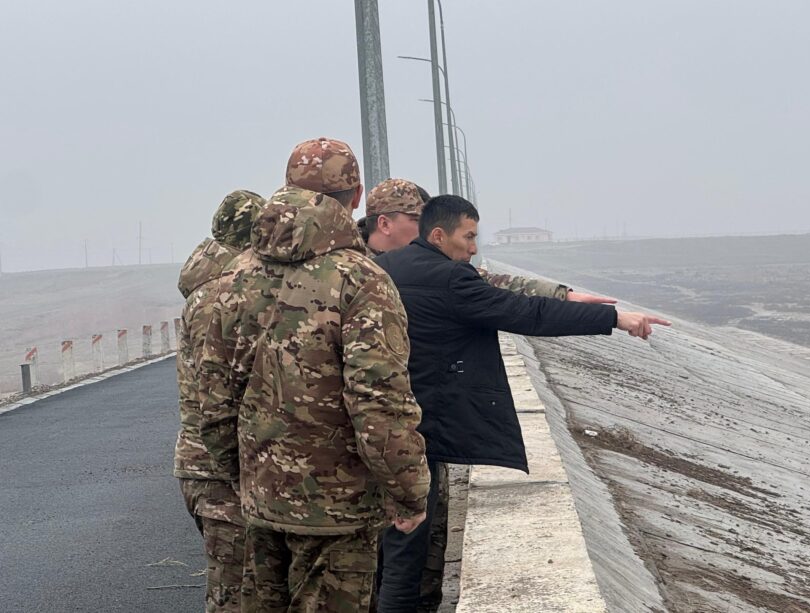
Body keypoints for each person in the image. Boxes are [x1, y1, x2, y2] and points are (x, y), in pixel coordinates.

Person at [373, 195, 671, 612]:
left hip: (373, 424)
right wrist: (615, 319)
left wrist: (563, 297)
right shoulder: (451, 279)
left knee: (382, 552)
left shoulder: (386, 267)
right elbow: (526, 314)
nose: (473, 248)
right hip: (420, 431)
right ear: (438, 235)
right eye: (468, 237)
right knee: (406, 558)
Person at [197, 138, 431, 613]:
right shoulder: (361, 279)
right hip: (339, 510)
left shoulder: (236, 276)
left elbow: (214, 397)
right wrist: (408, 491)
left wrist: (243, 477)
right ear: (357, 196)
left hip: (262, 500)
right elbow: (379, 401)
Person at [174, 189, 264, 612]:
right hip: (217, 468)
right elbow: (221, 395)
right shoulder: (220, 296)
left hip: (208, 465)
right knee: (235, 593)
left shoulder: (212, 288)